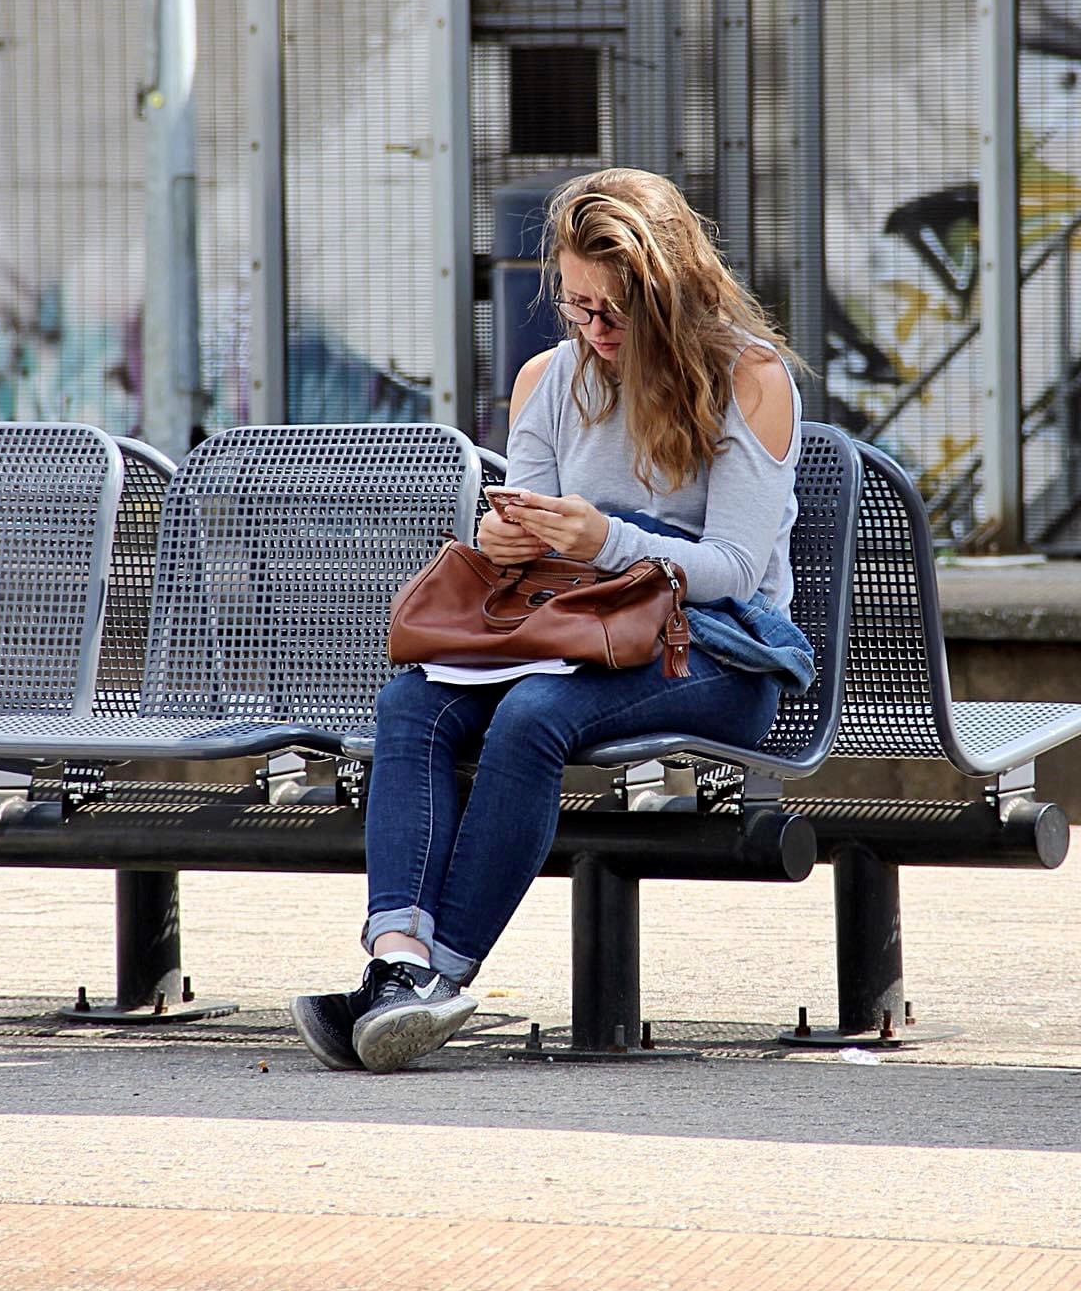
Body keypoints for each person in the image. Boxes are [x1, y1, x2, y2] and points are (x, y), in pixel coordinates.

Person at [292, 167, 814, 1073]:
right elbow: (531, 534)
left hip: (721, 655)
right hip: (573, 638)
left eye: (616, 311)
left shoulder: (750, 377)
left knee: (535, 717)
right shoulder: (551, 376)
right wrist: (506, 540)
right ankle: (398, 965)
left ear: (673, 292)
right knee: (413, 702)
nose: (595, 331)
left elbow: (734, 572)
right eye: (577, 307)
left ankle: (437, 984)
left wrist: (605, 537)